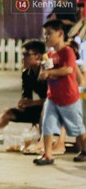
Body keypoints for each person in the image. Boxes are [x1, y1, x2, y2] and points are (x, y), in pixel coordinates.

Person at [34, 19, 86, 165]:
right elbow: (45, 73)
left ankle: (85, 150)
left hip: (68, 97)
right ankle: (48, 155)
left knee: (77, 128)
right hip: (53, 97)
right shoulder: (50, 55)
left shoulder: (67, 51)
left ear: (60, 33)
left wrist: (49, 73)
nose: (46, 37)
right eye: (45, 34)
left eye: (49, 34)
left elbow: (69, 70)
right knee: (47, 124)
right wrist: (42, 71)